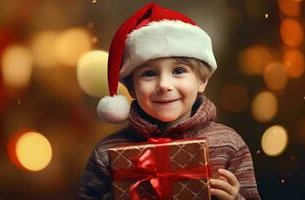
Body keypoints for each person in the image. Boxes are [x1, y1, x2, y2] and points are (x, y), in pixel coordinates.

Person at [77, 3, 260, 200]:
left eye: (178, 71)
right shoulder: (107, 153)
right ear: (132, 88)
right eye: (149, 74)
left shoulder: (229, 145)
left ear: (202, 80)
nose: (164, 85)